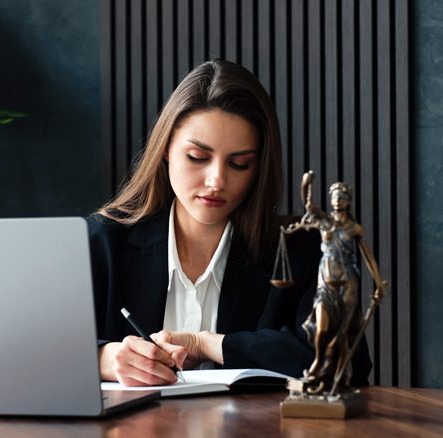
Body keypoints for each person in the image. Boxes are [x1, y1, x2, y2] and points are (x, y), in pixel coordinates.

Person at [86, 59, 372, 387]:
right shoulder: (103, 240)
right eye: (198, 157)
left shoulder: (300, 250)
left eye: (239, 164)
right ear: (166, 150)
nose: (217, 181)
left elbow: (348, 360)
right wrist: (103, 358)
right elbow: (31, 350)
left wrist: (210, 344)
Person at [283, 173, 386, 394]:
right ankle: (319, 364)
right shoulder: (324, 222)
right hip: (325, 285)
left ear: (348, 200)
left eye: (342, 197)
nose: (338, 200)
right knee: (321, 330)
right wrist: (306, 184)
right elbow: (308, 204)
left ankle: (339, 376)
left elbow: (368, 256)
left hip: (347, 284)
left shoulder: (354, 229)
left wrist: (378, 284)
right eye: (334, 197)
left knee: (341, 335)